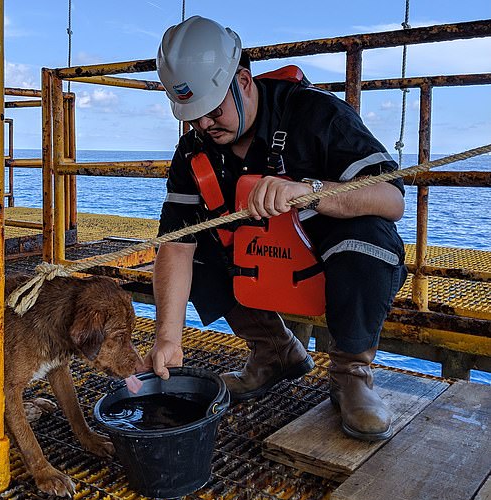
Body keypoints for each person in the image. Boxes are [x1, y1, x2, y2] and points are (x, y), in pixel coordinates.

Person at [142, 15, 407, 442]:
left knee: (369, 240)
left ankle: (351, 376)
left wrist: (309, 191)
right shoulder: (194, 149)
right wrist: (167, 338)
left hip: (327, 264)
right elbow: (175, 246)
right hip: (263, 264)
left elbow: (392, 200)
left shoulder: (317, 114)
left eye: (213, 110)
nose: (205, 125)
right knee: (195, 243)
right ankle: (274, 353)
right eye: (193, 118)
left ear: (243, 81)